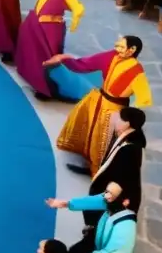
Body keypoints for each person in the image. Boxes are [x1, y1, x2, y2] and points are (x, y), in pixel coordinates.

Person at [46, 36, 153, 174]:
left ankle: (97, 171)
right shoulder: (113, 56)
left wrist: (128, 117)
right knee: (89, 130)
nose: (117, 49)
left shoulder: (137, 72)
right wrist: (65, 59)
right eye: (117, 46)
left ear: (132, 50)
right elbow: (88, 63)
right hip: (100, 99)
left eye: (121, 47)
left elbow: (144, 98)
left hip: (114, 108)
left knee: (104, 140)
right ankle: (88, 159)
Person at [15, 0, 84, 99]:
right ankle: (33, 78)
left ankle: (46, 89)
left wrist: (75, 22)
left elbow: (78, 8)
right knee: (33, 52)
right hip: (35, 23)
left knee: (48, 56)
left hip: (50, 28)